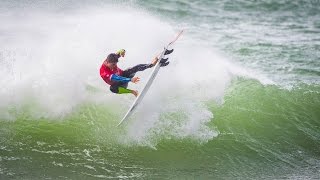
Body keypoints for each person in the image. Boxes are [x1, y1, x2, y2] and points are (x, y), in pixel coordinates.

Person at [100, 49, 173, 97]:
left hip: (124, 75)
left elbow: (118, 53)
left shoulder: (111, 59)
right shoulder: (104, 72)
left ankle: (152, 64)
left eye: (115, 64)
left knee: (133, 68)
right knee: (112, 89)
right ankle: (132, 92)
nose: (114, 66)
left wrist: (122, 51)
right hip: (120, 85)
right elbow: (116, 78)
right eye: (112, 65)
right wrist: (130, 80)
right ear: (107, 62)